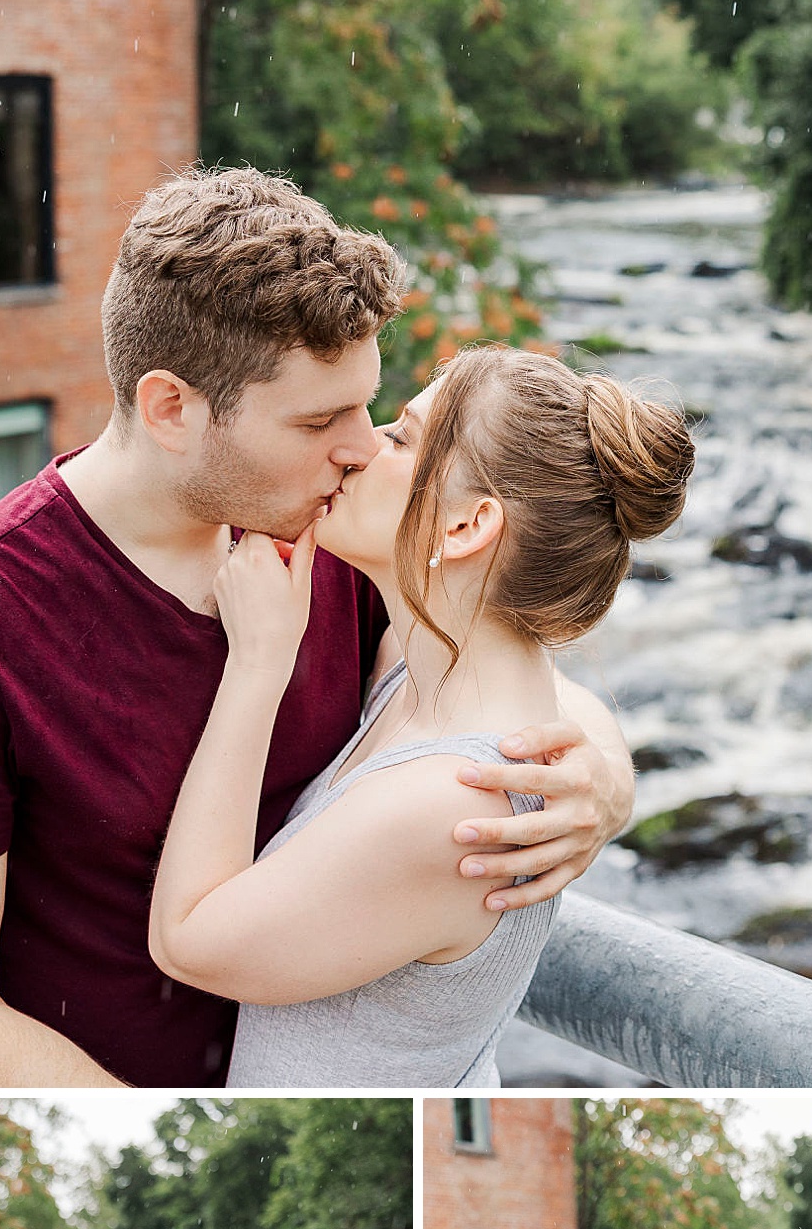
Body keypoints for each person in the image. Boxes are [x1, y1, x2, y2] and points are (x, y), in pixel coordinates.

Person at [0, 167, 635, 1089]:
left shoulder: (338, 534)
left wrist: (601, 775)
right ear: (173, 408)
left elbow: (490, 658)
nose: (363, 446)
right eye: (320, 418)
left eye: (369, 405)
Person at [146, 343, 692, 1085]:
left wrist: (256, 665)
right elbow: (559, 696)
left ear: (466, 528)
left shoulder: (452, 807)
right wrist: (604, 766)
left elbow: (186, 940)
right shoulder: (429, 668)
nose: (361, 446)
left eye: (400, 438)